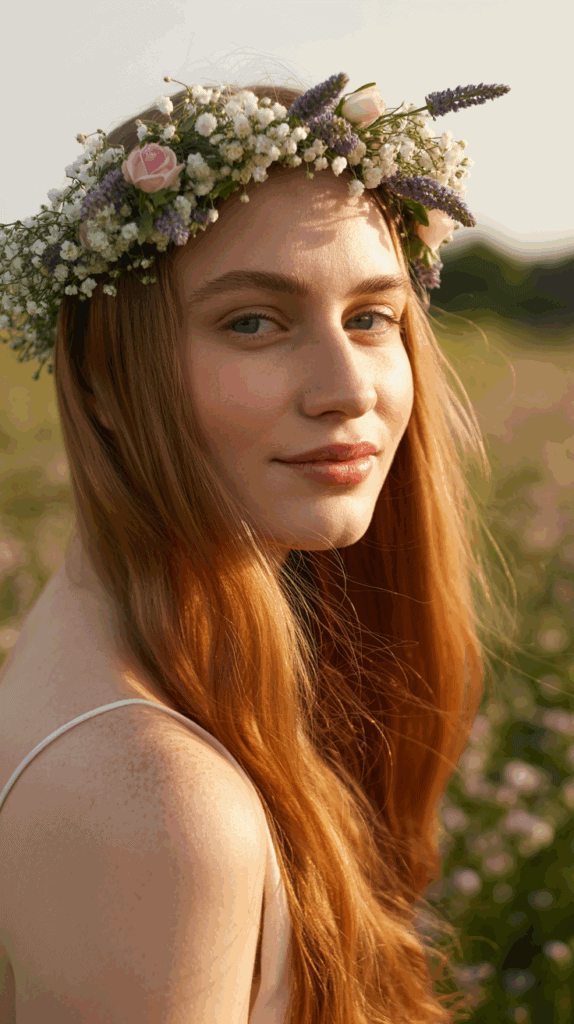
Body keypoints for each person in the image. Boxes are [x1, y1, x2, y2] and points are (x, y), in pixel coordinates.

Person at [0, 74, 512, 1022]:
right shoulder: (153, 812)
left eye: (371, 318)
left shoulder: (110, 641)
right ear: (104, 378)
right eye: (253, 321)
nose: (346, 389)